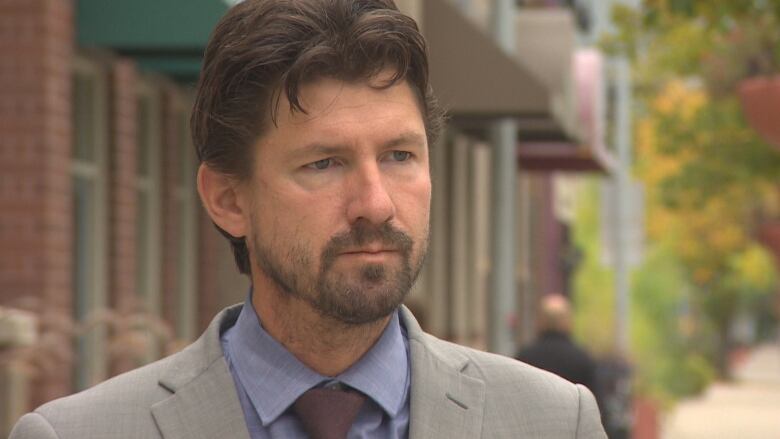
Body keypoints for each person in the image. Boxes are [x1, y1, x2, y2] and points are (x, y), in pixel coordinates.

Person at [10, 1, 606, 438]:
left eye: (400, 156)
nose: (376, 203)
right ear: (228, 200)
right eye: (324, 163)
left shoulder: (554, 422)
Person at [516, 294, 599, 396]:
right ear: (568, 321)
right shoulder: (582, 359)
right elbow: (595, 401)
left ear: (540, 321)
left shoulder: (525, 357)